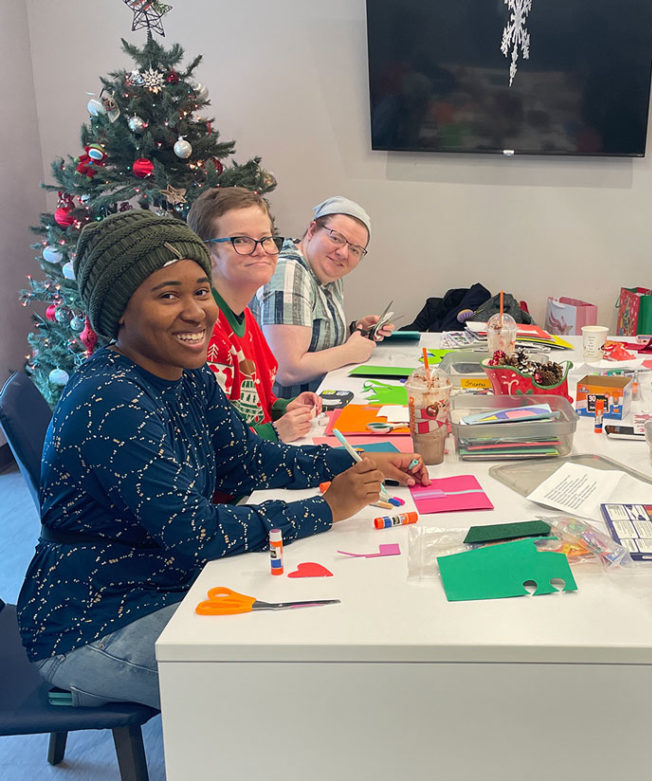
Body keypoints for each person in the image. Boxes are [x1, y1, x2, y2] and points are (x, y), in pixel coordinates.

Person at [17, 210, 428, 709]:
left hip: (165, 581)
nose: (196, 312)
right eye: (168, 295)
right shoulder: (112, 398)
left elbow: (248, 461)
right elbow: (198, 534)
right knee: (300, 685)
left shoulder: (183, 372)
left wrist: (350, 464)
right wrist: (326, 509)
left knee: (330, 637)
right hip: (95, 622)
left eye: (200, 290)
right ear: (117, 312)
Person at [187, 187, 320, 442]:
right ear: (208, 253)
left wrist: (283, 407)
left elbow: (253, 402)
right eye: (241, 240)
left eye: (266, 238)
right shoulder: (202, 330)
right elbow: (205, 440)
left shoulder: (245, 316)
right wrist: (274, 432)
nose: (261, 250)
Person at [252, 195, 392, 398]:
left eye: (355, 249)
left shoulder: (327, 272)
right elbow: (286, 370)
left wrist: (356, 330)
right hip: (285, 413)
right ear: (312, 230)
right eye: (336, 238)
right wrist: (350, 352)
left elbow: (315, 341)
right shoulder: (289, 272)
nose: (343, 253)